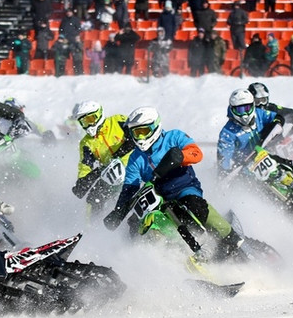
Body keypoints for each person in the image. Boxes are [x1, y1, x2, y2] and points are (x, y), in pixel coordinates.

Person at [103, 106, 247, 261]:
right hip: (159, 197)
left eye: (144, 131)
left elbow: (196, 153)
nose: (140, 138)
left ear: (155, 127)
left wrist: (180, 156)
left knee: (193, 205)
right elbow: (130, 187)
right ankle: (141, 260)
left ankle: (229, 235)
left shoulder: (173, 137)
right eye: (136, 133)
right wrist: (118, 211)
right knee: (135, 224)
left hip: (184, 187)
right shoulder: (135, 158)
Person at [71, 101, 134, 215]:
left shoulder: (117, 120)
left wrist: (120, 155)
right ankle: (93, 225)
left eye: (90, 119)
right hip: (111, 175)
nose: (88, 125)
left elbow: (136, 136)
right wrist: (83, 180)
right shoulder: (86, 143)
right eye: (84, 122)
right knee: (93, 199)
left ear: (99, 114)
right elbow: (85, 166)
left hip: (134, 165)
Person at [217, 89, 285, 178]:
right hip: (246, 167)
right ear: (232, 109)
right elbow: (224, 157)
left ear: (253, 105)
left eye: (247, 108)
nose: (244, 114)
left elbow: (277, 117)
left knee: (287, 165)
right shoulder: (227, 132)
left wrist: (276, 123)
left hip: (268, 154)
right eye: (239, 110)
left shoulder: (259, 114)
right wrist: (224, 171)